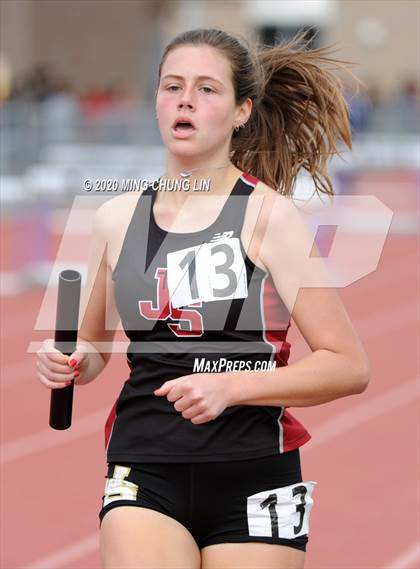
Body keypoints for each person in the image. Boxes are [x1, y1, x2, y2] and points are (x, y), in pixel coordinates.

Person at [36, 28, 370, 569]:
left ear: (242, 111)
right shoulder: (115, 219)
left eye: (206, 89)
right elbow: (94, 350)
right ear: (157, 103)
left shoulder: (272, 218)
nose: (185, 100)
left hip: (255, 471)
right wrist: (71, 361)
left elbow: (349, 366)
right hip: (145, 463)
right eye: (172, 87)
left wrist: (231, 387)